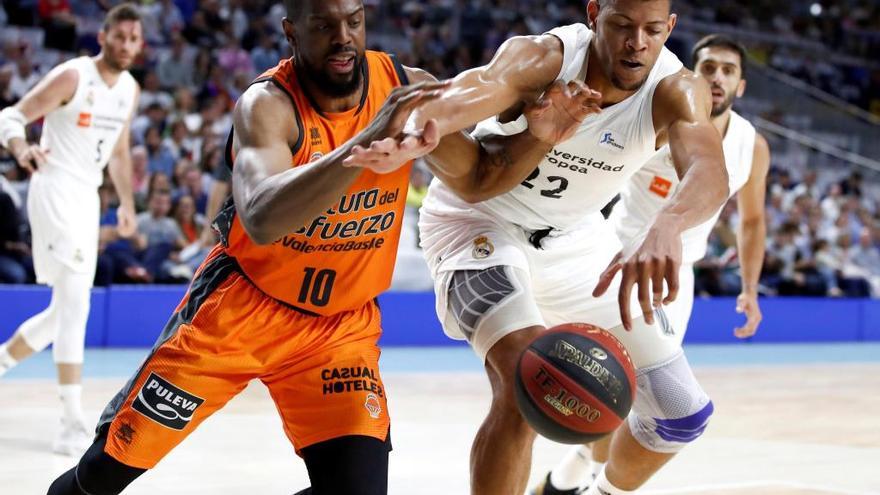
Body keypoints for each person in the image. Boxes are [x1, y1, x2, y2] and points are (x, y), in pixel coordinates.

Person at [45, 0, 595, 493]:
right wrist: (367, 140)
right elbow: (261, 218)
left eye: (353, 21)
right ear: (292, 30)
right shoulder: (267, 104)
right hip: (240, 312)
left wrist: (540, 136)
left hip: (339, 331)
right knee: (102, 475)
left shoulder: (404, 87)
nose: (342, 36)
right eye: (323, 24)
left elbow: (477, 178)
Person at [344, 1, 730, 494]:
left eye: (652, 30)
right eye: (622, 26)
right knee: (526, 383)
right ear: (594, 14)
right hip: (478, 223)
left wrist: (669, 224)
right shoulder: (546, 58)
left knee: (681, 412)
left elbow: (710, 171)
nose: (637, 43)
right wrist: (426, 123)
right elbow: (474, 89)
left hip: (576, 238)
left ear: (670, 27)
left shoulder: (677, 89)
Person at [533, 33, 771, 495]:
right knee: (600, 392)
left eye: (728, 70)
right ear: (692, 75)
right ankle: (570, 483)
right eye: (708, 68)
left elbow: (753, 221)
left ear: (740, 86)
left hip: (674, 280)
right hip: (609, 262)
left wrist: (750, 288)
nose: (717, 77)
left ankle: (563, 484)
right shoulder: (661, 120)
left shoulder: (751, 144)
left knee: (634, 405)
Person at [0, 3, 142, 456]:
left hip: (86, 198)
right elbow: (10, 118)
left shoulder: (130, 89)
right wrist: (22, 150)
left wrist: (126, 204)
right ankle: (72, 421)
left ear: (139, 45)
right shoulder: (73, 76)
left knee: (65, 308)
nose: (126, 45)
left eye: (134, 39)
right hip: (54, 187)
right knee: (76, 304)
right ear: (103, 37)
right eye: (119, 36)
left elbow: (119, 153)